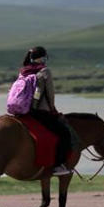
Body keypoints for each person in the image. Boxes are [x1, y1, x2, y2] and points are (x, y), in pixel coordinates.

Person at [21, 46, 73, 176]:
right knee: (64, 133)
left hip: (22, 111)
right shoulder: (45, 71)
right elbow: (49, 94)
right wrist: (52, 109)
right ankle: (57, 166)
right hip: (40, 112)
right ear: (43, 58)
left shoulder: (23, 71)